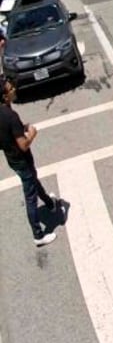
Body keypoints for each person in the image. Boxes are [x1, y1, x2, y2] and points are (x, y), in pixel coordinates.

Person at [0, 74, 62, 246]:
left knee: (33, 180)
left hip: (12, 159)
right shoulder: (10, 116)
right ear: (5, 96)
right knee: (30, 197)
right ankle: (38, 234)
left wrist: (19, 129)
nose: (14, 90)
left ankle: (50, 203)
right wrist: (32, 133)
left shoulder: (5, 114)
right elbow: (23, 145)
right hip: (21, 159)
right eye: (10, 89)